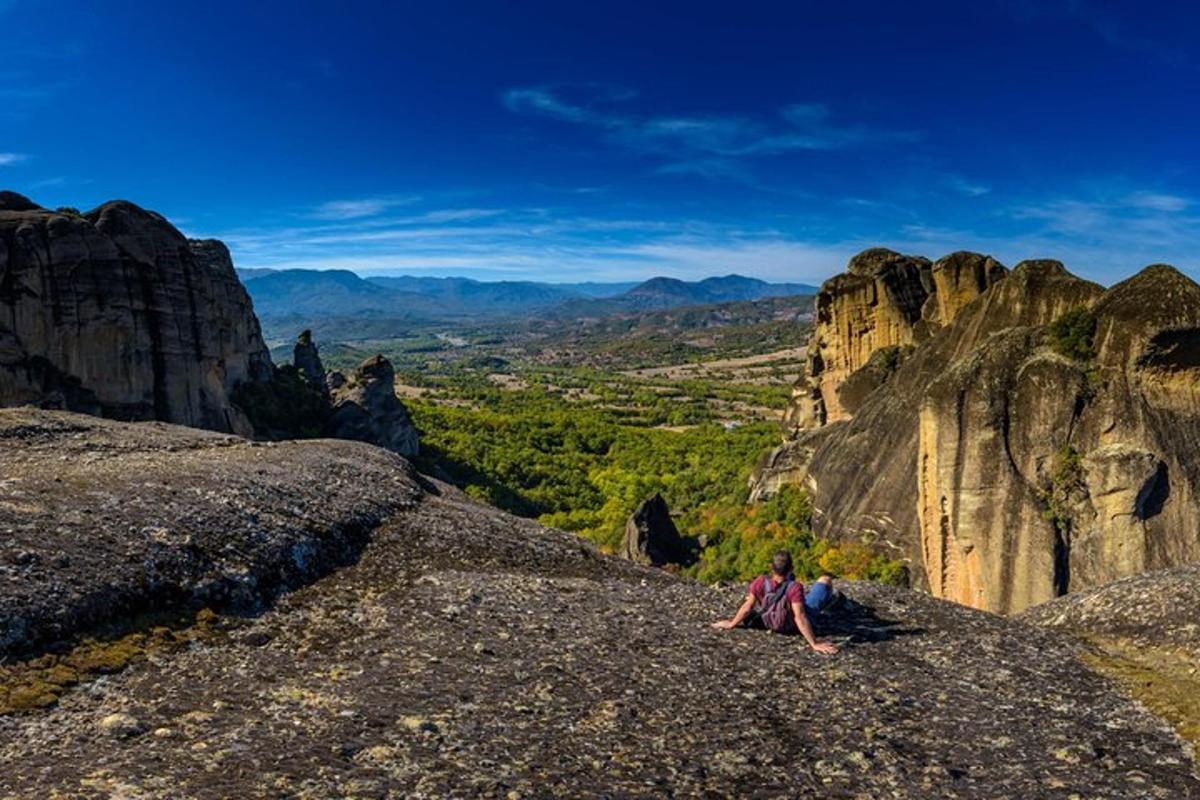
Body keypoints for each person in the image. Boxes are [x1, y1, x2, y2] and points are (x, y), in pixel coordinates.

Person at [711, 549, 840, 655]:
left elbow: (747, 607)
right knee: (825, 580)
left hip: (769, 623)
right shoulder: (795, 587)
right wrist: (814, 643)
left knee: (795, 597)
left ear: (771, 567)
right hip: (792, 626)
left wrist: (732, 623)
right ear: (791, 568)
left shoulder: (760, 582)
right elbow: (800, 616)